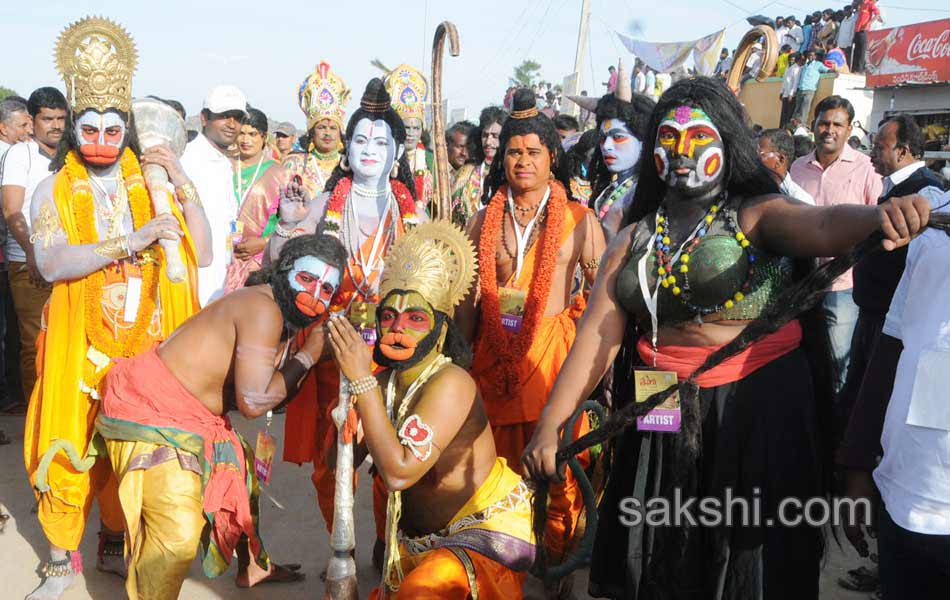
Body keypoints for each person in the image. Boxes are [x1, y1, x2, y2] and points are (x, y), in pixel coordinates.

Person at [522, 76, 931, 600]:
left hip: (756, 405)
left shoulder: (757, 214)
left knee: (747, 561)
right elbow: (596, 338)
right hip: (658, 400)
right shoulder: (632, 237)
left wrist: (880, 215)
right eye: (668, 140)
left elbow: (824, 222)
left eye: (698, 140)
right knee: (662, 542)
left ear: (727, 145)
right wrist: (552, 424)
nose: (682, 153)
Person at [22, 17, 212, 599]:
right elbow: (51, 265)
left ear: (126, 127)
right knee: (68, 450)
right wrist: (130, 242)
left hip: (146, 351)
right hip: (80, 350)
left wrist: (180, 181)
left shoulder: (148, 185)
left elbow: (200, 252)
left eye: (113, 126)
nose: (102, 136)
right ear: (72, 130)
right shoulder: (52, 189)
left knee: (138, 458)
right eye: (89, 126)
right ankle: (60, 564)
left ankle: (113, 546)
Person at [97, 234, 340, 599]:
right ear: (284, 270)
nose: (315, 296)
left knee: (239, 477)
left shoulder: (281, 313)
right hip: (154, 412)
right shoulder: (265, 309)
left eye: (327, 289)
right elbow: (255, 402)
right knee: (176, 537)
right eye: (308, 280)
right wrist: (309, 355)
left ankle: (253, 566)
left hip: (192, 415)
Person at [324, 220, 535, 598]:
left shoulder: (451, 382)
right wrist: (344, 419)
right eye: (388, 317)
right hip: (419, 542)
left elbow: (399, 474)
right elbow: (334, 465)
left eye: (415, 319)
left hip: (480, 533)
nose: (398, 329)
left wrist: (361, 382)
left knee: (420, 593)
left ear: (440, 331)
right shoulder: (382, 384)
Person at [458, 89, 605, 590]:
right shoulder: (482, 220)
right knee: (496, 471)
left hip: (553, 360)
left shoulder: (581, 221)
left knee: (559, 471)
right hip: (493, 360)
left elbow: (602, 298)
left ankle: (557, 566)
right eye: (514, 152)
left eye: (533, 152)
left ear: (552, 158)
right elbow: (469, 300)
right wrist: (458, 360)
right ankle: (502, 567)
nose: (522, 161)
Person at [271, 78, 422, 559]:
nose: (369, 150)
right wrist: (290, 224)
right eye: (360, 140)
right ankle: (342, 544)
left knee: (386, 452)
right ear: (346, 148)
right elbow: (282, 257)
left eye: (381, 142)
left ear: (396, 149)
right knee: (328, 461)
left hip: (390, 347)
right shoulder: (329, 199)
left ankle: (385, 537)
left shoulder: (408, 207)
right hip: (333, 342)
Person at [791, 95, 883, 395]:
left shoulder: (866, 168)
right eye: (823, 123)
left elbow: (878, 224)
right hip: (801, 283)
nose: (829, 130)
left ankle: (837, 430)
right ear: (813, 125)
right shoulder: (797, 168)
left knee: (838, 364)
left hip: (842, 287)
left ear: (849, 129)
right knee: (803, 358)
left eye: (837, 124)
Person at [0, 87, 66, 404]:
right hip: (27, 263)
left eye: (61, 119)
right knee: (35, 342)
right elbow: (12, 210)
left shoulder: (73, 155)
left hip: (68, 262)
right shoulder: (20, 154)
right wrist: (32, 254)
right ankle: (37, 417)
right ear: (31, 120)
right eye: (48, 119)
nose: (56, 125)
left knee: (67, 340)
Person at [181, 84, 247, 306]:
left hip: (218, 284)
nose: (231, 124)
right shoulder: (187, 159)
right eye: (223, 116)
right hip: (191, 283)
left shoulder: (225, 164)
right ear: (204, 118)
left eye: (237, 118)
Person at [224, 108, 287, 292]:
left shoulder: (280, 174)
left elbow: (293, 222)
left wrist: (265, 242)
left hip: (258, 262)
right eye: (241, 133)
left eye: (252, 134)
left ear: (264, 137)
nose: (246, 140)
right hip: (220, 256)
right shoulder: (222, 166)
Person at [588, 80, 655, 241]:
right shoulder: (614, 187)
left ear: (642, 140)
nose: (607, 146)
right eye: (603, 138)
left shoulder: (642, 192)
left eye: (618, 137)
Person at [285, 61, 349, 201]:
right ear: (312, 132)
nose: (328, 133)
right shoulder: (294, 163)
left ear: (340, 133)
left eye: (333, 128)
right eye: (321, 127)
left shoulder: (350, 164)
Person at [385, 64, 433, 215]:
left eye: (416, 128)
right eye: (407, 128)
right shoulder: (386, 156)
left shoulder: (431, 160)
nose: (411, 133)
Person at [449, 106, 507, 227]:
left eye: (495, 136)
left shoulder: (510, 172)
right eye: (485, 135)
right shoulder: (466, 173)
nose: (488, 142)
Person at [758, 128, 815, 204]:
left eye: (760, 154)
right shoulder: (752, 190)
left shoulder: (801, 201)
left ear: (780, 160)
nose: (754, 158)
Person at [793, 50, 836, 125]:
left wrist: (834, 71)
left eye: (812, 55)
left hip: (809, 90)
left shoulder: (818, 64)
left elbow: (827, 70)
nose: (811, 56)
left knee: (805, 109)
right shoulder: (805, 66)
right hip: (801, 89)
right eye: (809, 55)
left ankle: (801, 125)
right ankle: (794, 124)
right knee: (797, 109)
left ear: (815, 56)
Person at [852, 0, 881, 73]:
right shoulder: (861, 5)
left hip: (864, 30)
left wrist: (869, 23)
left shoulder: (870, 4)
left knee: (862, 51)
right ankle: (854, 69)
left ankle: (860, 70)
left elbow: (877, 14)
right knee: (856, 50)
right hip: (857, 31)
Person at [780, 52, 803, 128]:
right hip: (785, 94)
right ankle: (781, 128)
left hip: (791, 95)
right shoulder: (787, 67)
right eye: (790, 59)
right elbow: (784, 81)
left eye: (793, 59)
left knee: (789, 114)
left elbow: (795, 82)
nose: (791, 61)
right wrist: (781, 92)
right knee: (783, 113)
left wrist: (791, 93)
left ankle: (786, 129)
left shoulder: (797, 68)